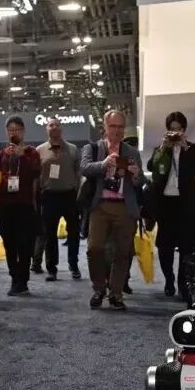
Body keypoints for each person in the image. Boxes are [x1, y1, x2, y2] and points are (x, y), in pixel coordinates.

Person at [81, 109, 143, 311]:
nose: (117, 130)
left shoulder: (132, 152)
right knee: (94, 248)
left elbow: (140, 182)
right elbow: (85, 168)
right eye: (113, 126)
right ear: (105, 128)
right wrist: (104, 164)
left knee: (122, 252)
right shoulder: (92, 148)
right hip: (100, 206)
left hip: (125, 207)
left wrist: (135, 174)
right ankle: (99, 289)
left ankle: (116, 294)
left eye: (120, 127)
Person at [147, 111, 195, 299]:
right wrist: (164, 147)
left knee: (187, 248)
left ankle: (183, 284)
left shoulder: (194, 149)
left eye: (179, 130)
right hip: (166, 204)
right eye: (172, 130)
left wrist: (184, 147)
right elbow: (150, 167)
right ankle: (169, 279)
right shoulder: (161, 148)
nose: (176, 133)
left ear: (184, 130)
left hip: (187, 204)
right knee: (164, 247)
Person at [0, 116, 41, 296]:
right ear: (7, 132)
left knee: (25, 244)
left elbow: (37, 172)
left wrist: (23, 157)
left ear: (23, 132)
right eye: (11, 130)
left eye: (17, 130)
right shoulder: (3, 154)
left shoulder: (31, 153)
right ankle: (14, 278)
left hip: (25, 205)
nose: (14, 133)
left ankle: (23, 280)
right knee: (9, 244)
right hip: (6, 206)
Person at [36, 116, 82, 281]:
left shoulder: (73, 150)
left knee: (74, 233)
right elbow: (36, 176)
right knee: (50, 235)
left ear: (61, 128)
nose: (54, 127)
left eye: (57, 124)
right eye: (51, 125)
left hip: (70, 196)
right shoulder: (39, 151)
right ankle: (51, 269)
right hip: (49, 196)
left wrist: (79, 194)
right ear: (46, 129)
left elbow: (79, 174)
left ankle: (73, 265)